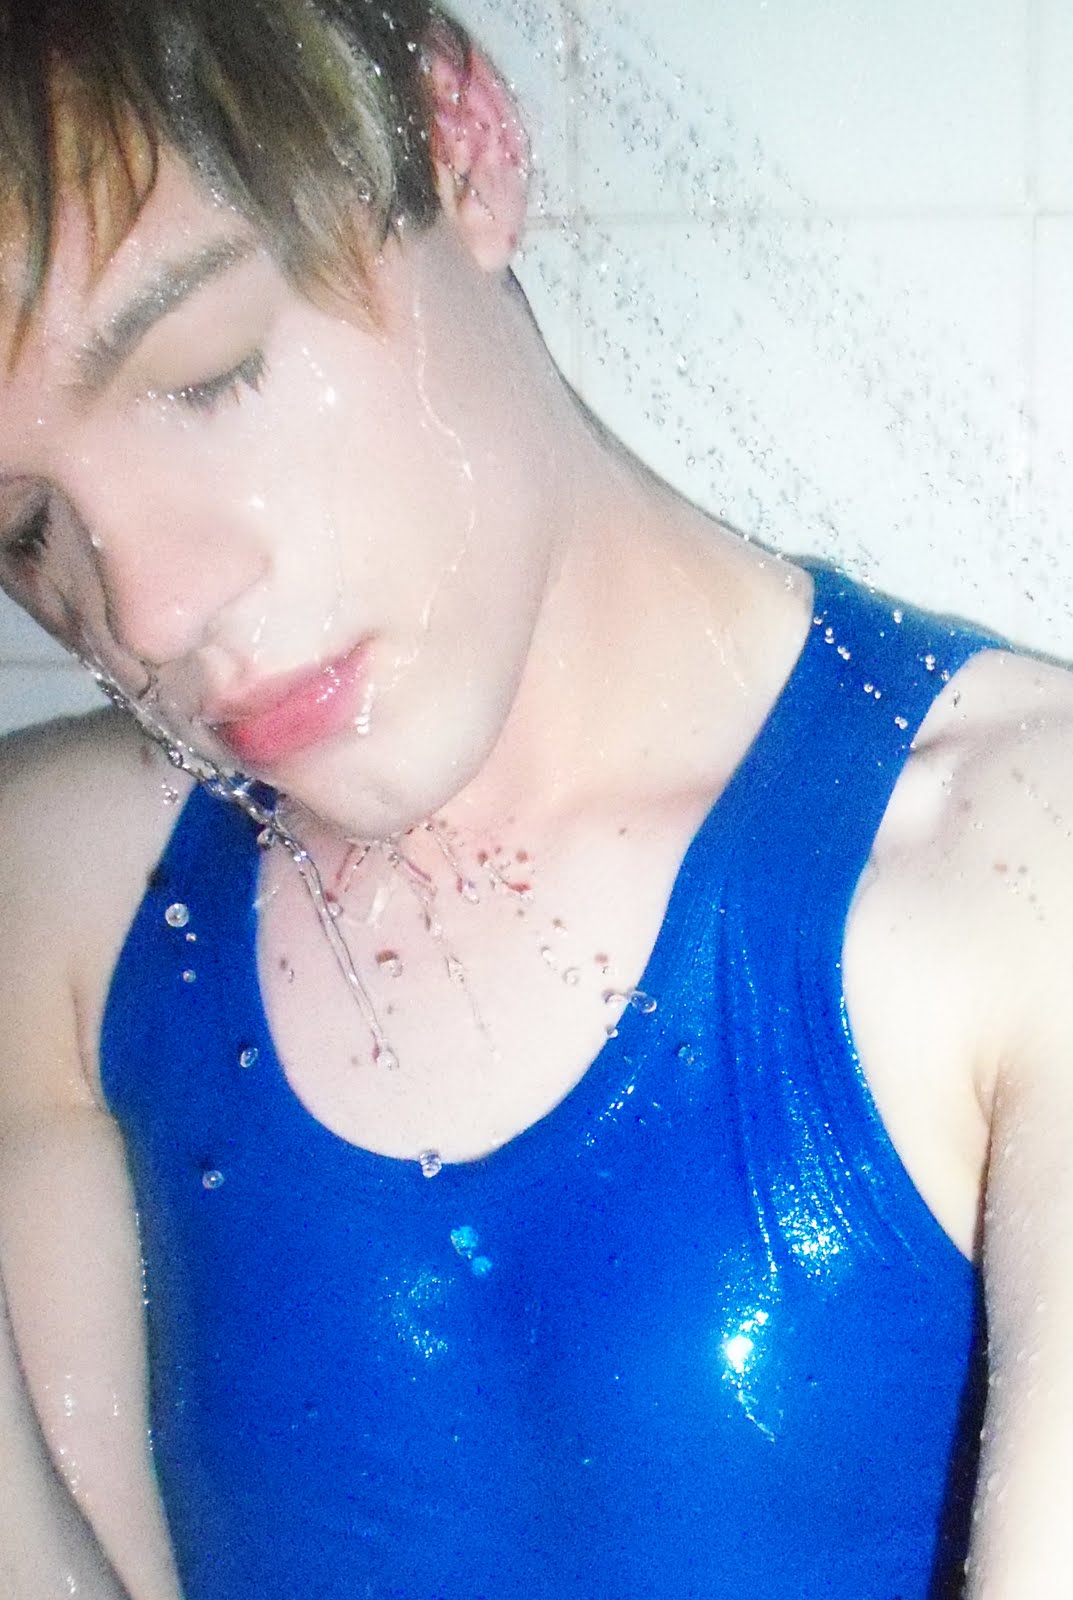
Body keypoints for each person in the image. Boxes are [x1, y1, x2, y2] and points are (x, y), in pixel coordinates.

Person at [0, 2, 1071, 1596]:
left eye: (206, 375)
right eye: (25, 530)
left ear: (461, 142)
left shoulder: (1022, 864)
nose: (145, 609)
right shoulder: (54, 896)